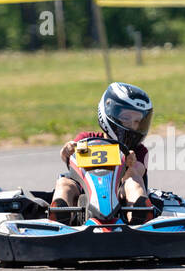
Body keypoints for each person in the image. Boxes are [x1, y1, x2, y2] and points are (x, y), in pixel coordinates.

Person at [50, 82, 154, 223]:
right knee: (64, 183)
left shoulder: (139, 150)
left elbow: (139, 170)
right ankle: (60, 219)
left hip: (120, 195)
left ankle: (138, 219)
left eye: (137, 121)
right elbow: (68, 158)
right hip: (84, 192)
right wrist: (67, 150)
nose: (133, 126)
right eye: (126, 118)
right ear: (110, 113)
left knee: (133, 180)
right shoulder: (85, 139)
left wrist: (129, 163)